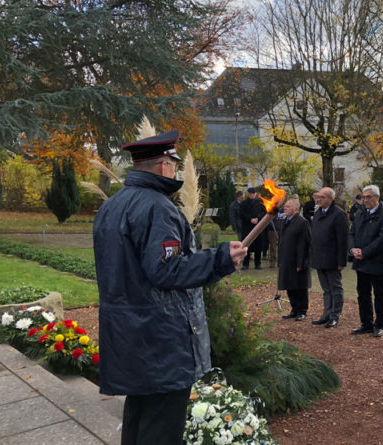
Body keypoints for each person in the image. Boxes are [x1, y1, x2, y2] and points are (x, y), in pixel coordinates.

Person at [93, 130, 248, 445]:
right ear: (164, 164)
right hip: (160, 340)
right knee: (162, 428)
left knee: (138, 416)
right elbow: (165, 271)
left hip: (130, 336)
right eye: (174, 163)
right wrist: (220, 259)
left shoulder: (112, 205)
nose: (176, 170)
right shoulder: (158, 208)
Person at [348, 185, 383, 337]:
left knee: (379, 294)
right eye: (364, 197)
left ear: (377, 198)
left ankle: (379, 324)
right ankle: (366, 323)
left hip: (377, 261)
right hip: (361, 262)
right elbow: (352, 233)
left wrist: (365, 252)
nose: (365, 200)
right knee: (363, 294)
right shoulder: (361, 214)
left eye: (369, 197)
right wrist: (352, 249)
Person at [310, 187, 349, 328]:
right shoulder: (318, 213)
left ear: (331, 199)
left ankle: (335, 315)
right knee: (326, 289)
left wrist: (342, 261)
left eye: (322, 197)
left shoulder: (339, 215)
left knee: (335, 288)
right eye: (318, 197)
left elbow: (343, 239)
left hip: (332, 259)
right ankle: (326, 313)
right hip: (320, 257)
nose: (319, 199)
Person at [277, 198, 312, 321]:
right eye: (285, 206)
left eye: (288, 207)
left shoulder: (302, 222)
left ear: (296, 209)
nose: (284, 208)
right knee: (290, 285)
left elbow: (305, 244)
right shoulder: (286, 221)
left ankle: (302, 310)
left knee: (300, 286)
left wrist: (301, 263)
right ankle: (294, 308)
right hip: (287, 259)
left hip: (297, 260)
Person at [239, 187, 266, 269]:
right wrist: (250, 219)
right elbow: (241, 214)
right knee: (246, 245)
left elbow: (264, 212)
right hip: (247, 227)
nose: (252, 195)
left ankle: (257, 264)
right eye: (251, 193)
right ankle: (245, 264)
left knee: (258, 246)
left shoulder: (260, 202)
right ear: (248, 194)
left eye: (254, 193)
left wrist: (258, 218)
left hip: (257, 226)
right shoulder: (243, 203)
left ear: (256, 194)